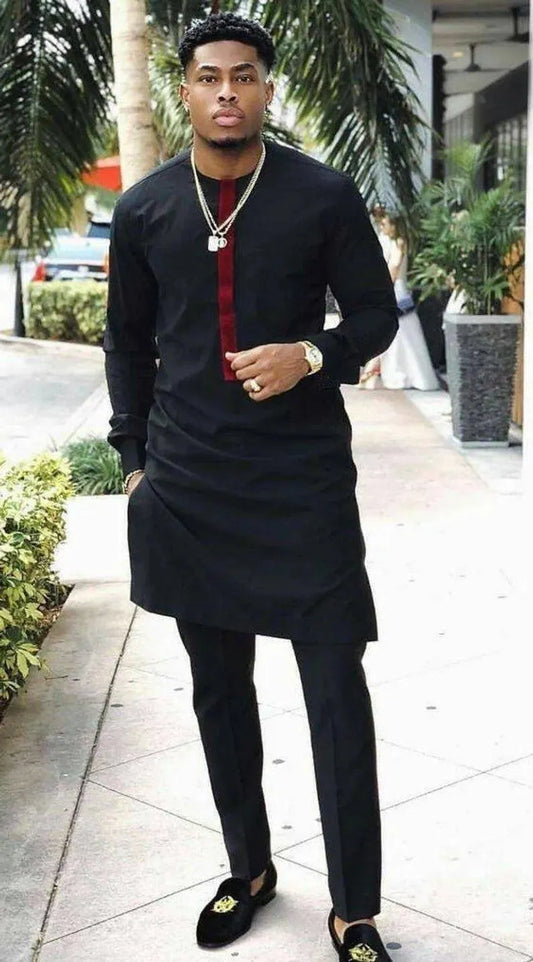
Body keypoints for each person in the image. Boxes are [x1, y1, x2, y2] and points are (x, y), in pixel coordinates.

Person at [103, 12, 399, 962]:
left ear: (266, 88)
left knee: (335, 691)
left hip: (301, 483)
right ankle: (249, 869)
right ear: (185, 90)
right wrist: (135, 462)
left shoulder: (321, 194)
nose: (225, 91)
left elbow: (375, 316)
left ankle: (355, 909)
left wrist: (310, 354)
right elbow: (125, 344)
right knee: (218, 694)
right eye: (207, 77)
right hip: (189, 484)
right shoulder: (145, 208)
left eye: (242, 76)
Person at [360, 210, 439, 391]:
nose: (382, 227)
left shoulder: (399, 242)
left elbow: (394, 266)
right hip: (395, 289)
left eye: (385, 224)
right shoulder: (392, 241)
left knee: (401, 333)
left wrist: (381, 287)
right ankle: (395, 374)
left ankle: (398, 374)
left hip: (396, 291)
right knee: (399, 335)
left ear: (395, 225)